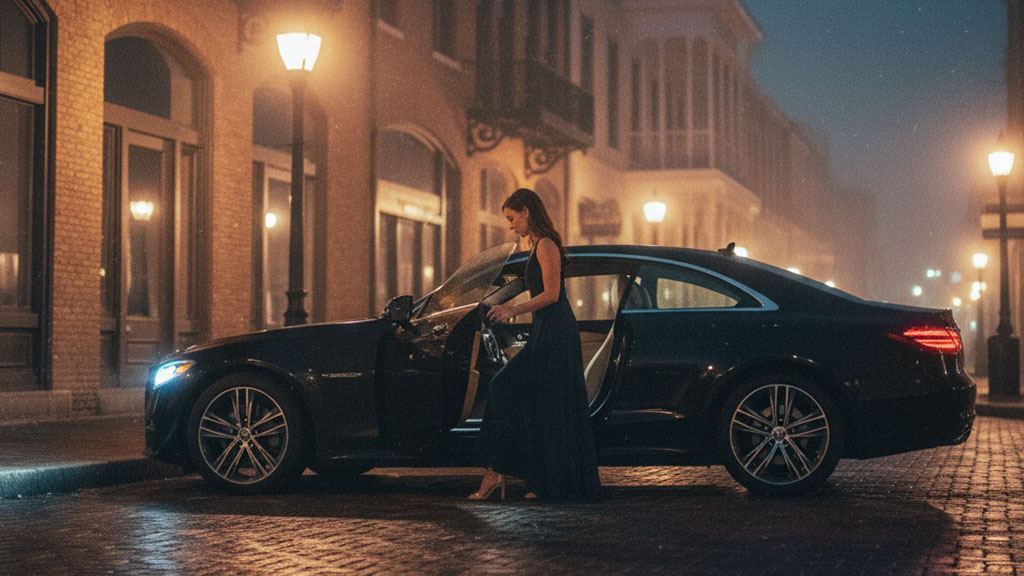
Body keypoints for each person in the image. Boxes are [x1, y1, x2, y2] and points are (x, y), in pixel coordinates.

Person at [468, 188, 602, 502]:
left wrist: (512, 309)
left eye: (512, 218)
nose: (510, 225)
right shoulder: (535, 245)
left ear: (526, 211)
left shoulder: (546, 245)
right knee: (537, 403)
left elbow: (552, 295)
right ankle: (530, 477)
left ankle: (501, 472)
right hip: (546, 329)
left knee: (513, 391)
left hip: (556, 331)